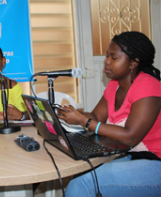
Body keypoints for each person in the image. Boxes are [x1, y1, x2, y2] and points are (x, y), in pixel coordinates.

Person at [57, 31, 161, 196]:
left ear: (133, 63)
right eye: (107, 56)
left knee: (83, 184)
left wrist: (84, 121)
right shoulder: (114, 85)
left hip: (155, 163)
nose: (106, 62)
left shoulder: (148, 86)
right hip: (133, 156)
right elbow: (97, 117)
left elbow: (130, 136)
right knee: (82, 173)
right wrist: (71, 114)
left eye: (114, 58)